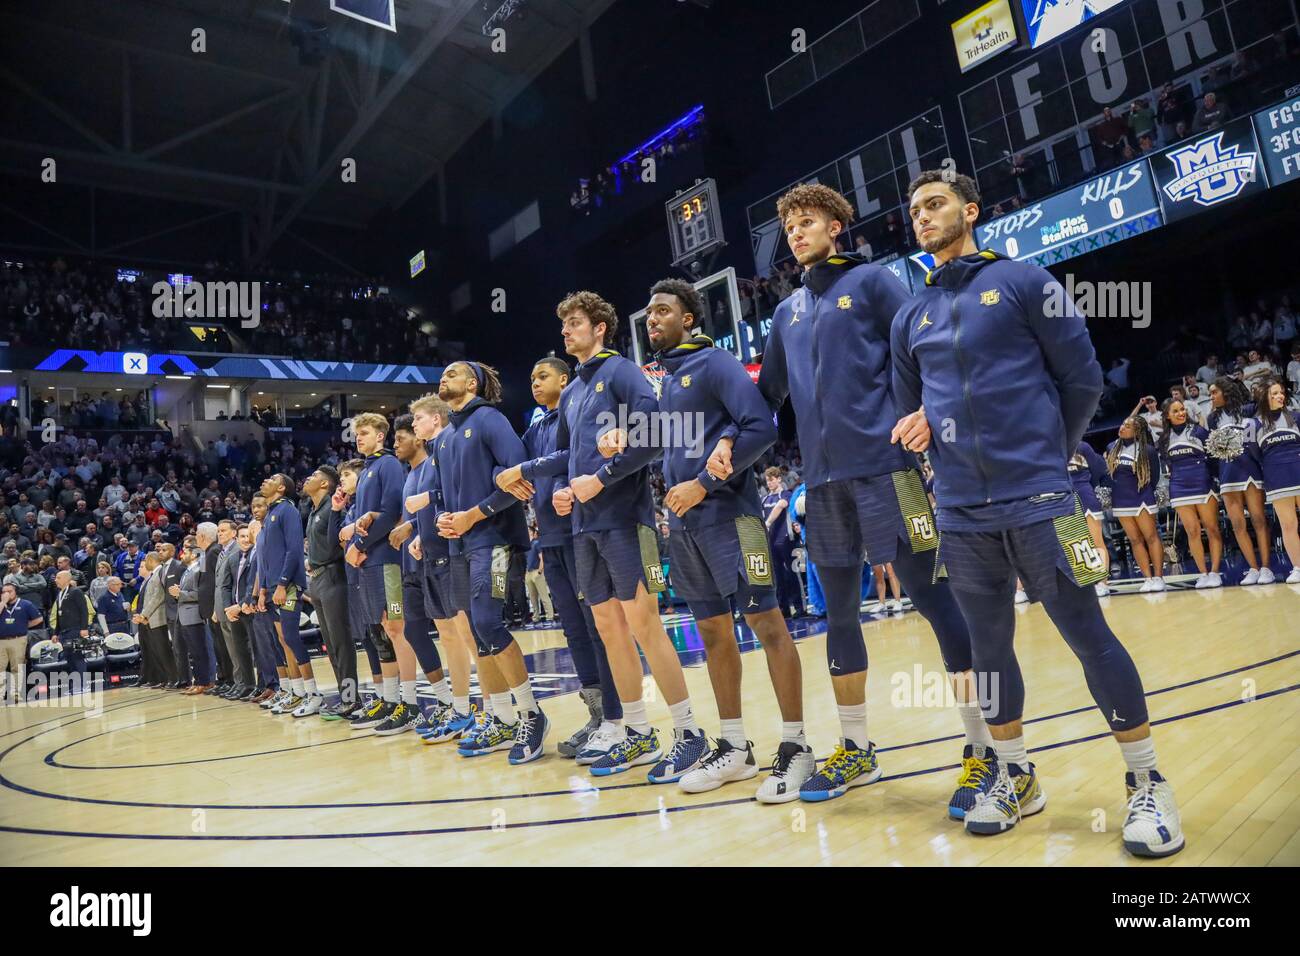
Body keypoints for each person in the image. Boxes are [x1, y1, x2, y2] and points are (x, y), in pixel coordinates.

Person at [891, 167, 1183, 857]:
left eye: (935, 204)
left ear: (971, 208)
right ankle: (1015, 773)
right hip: (962, 513)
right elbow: (912, 410)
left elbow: (1081, 379)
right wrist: (923, 423)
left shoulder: (1027, 282)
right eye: (914, 210)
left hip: (1042, 498)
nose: (923, 217)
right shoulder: (912, 315)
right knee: (988, 650)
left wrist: (1047, 458)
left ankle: (1147, 781)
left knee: (1089, 635)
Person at [707, 183, 987, 811]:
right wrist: (726, 438)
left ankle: (983, 747)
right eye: (789, 227)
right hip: (824, 484)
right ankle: (857, 748)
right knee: (837, 614)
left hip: (891, 469)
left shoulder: (878, 282)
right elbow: (766, 397)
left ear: (837, 227)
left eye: (808, 223)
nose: (797, 234)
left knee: (937, 601)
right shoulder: (785, 313)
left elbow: (927, 349)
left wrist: (929, 416)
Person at [497, 292, 705, 780]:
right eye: (564, 324)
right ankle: (636, 731)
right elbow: (568, 459)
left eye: (575, 323)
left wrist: (602, 476)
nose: (566, 331)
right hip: (583, 526)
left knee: (644, 627)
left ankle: (688, 732)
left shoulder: (622, 372)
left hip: (625, 519)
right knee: (610, 631)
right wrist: (539, 476)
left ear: (600, 328)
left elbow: (656, 435)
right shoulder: (572, 394)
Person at [637, 277, 817, 799]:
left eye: (663, 311)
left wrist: (706, 482)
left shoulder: (714, 364)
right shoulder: (666, 380)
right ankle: (735, 747)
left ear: (688, 318)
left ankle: (796, 746)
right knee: (714, 633)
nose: (653, 319)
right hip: (688, 527)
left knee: (768, 624)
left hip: (733, 519)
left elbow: (760, 425)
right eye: (649, 313)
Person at [429, 361, 549, 764]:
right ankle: (500, 717)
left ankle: (531, 713)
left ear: (472, 382)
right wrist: (444, 518)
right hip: (459, 545)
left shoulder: (490, 420)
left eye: (452, 373)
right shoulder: (443, 438)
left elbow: (519, 483)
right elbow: (445, 495)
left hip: (494, 542)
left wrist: (472, 515)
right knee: (477, 633)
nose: (444, 378)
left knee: (487, 621)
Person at [501, 359, 621, 760]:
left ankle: (619, 719)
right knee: (573, 629)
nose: (535, 383)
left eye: (543, 376)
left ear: (565, 380)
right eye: (531, 378)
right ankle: (598, 714)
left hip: (580, 534)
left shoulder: (576, 413)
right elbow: (508, 465)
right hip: (549, 541)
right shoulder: (534, 430)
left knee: (597, 627)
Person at [404, 397, 480, 743]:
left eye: (418, 419)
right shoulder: (429, 457)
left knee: (469, 634)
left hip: (455, 554)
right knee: (449, 637)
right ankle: (462, 708)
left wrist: (428, 500)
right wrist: (420, 533)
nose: (413, 425)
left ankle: (495, 708)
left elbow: (457, 493)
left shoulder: (449, 448)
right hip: (433, 555)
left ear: (436, 419)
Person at [343, 415, 413, 731]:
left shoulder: (387, 465)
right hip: (370, 558)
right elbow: (366, 518)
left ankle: (408, 704)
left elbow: (391, 512)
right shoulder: (368, 468)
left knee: (396, 628)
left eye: (365, 433)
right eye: (357, 434)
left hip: (386, 556)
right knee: (381, 629)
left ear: (381, 435)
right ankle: (388, 700)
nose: (359, 438)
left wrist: (360, 543)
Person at [257, 476, 319, 715]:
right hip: (273, 587)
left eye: (271, 479)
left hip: (288, 584)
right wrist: (264, 589)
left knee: (292, 637)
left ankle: (313, 694)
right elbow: (266, 559)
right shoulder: (270, 516)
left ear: (281, 488)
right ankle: (296, 692)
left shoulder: (287, 511)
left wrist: (283, 583)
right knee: (283, 641)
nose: (266, 481)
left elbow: (294, 550)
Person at [302, 465, 360, 717]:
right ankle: (344, 696)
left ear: (325, 484)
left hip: (333, 576)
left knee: (341, 643)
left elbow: (334, 547)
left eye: (314, 476)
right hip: (317, 579)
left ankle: (351, 699)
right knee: (330, 643)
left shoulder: (332, 509)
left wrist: (316, 558)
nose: (308, 479)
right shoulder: (314, 511)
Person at [1208, 376, 1273, 584]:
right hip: (1227, 475)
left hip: (1250, 471)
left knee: (1259, 520)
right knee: (1237, 524)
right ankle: (1253, 568)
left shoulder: (1246, 411)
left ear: (1225, 393)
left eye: (1214, 392)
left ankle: (1266, 568)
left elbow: (1254, 438)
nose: (1211, 397)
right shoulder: (1212, 420)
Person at [1160, 399, 1222, 588]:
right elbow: (1167, 464)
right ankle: (1203, 573)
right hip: (1179, 487)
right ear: (1167, 416)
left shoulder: (1198, 431)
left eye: (1182, 410)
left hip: (1203, 483)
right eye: (1176, 411)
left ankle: (1215, 572)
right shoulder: (1164, 438)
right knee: (1192, 531)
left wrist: (1212, 479)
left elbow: (1213, 458)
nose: (1181, 413)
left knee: (1211, 528)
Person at [1249, 378, 1300, 583]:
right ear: (1264, 397)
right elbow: (1254, 453)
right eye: (1274, 393)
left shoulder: (1296, 416)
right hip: (1276, 476)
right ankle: (1297, 567)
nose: (1280, 396)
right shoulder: (1251, 424)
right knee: (1288, 525)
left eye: (1281, 393)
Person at [1105, 417, 1166, 591]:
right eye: (1123, 423)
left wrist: (1145, 491)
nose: (1122, 427)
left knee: (1151, 536)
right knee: (1134, 539)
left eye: (1128, 426)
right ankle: (1147, 578)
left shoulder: (1147, 450)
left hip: (1142, 498)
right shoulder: (1111, 447)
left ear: (1137, 432)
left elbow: (1154, 476)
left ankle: (1159, 577)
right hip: (1120, 499)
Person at [214, 520, 257, 701]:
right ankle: (246, 685)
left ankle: (262, 685)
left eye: (248, 536)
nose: (245, 539)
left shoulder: (255, 556)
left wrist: (242, 604)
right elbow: (225, 586)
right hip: (234, 610)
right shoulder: (233, 558)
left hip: (251, 608)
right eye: (242, 536)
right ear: (237, 538)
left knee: (257, 649)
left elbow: (252, 583)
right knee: (240, 651)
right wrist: (227, 609)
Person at [1067, 442, 1113, 596]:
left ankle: (1103, 582)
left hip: (1086, 495)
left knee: (1096, 541)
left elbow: (1098, 470)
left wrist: (1088, 486)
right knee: (1076, 543)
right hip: (1066, 499)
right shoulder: (1049, 448)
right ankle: (1087, 581)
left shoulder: (1082, 447)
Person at [173, 536, 215, 695]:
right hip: (185, 616)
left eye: (185, 552)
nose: (182, 555)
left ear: (195, 554)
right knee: (193, 652)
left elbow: (200, 593)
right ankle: (198, 681)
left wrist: (180, 593)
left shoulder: (199, 570)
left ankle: (204, 682)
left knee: (199, 652)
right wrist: (178, 593)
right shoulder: (187, 571)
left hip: (194, 615)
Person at [761, 467, 802, 617]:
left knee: (794, 574)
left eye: (772, 480)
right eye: (767, 481)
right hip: (771, 543)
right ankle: (783, 608)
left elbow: (780, 506)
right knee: (778, 577)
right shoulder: (764, 499)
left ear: (779, 479)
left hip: (787, 540)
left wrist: (768, 522)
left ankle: (800, 607)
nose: (769, 483)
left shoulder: (786, 494)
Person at [0, 582, 42, 704]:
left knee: (17, 667)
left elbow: (38, 619)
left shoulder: (25, 604)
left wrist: (24, 626)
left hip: (18, 639)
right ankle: (0, 695)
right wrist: (3, 602)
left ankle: (15, 694)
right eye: (4, 592)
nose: (6, 594)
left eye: (9, 591)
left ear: (15, 592)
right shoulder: (1, 605)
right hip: (1, 640)